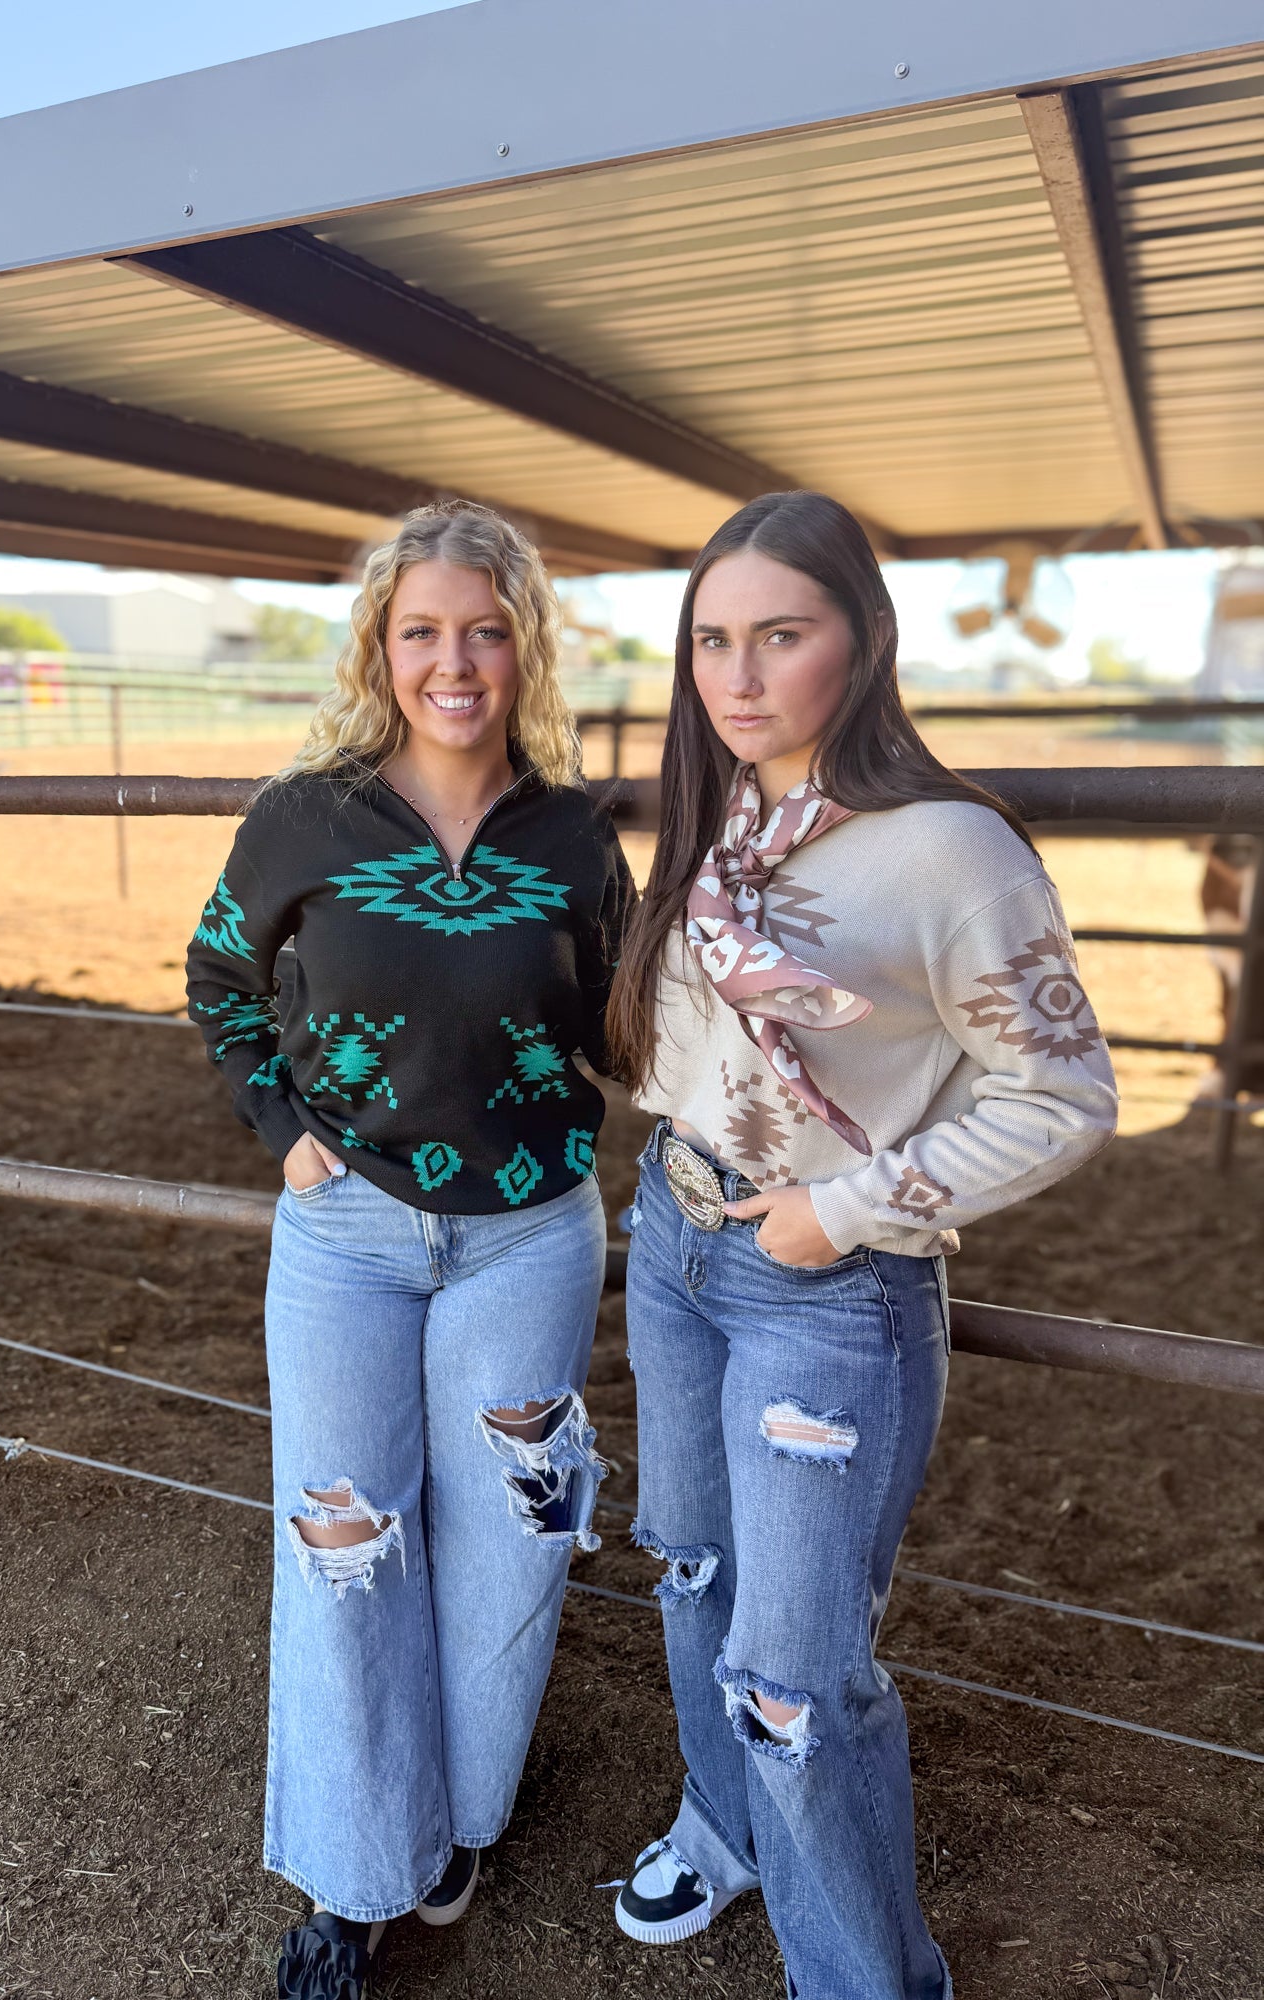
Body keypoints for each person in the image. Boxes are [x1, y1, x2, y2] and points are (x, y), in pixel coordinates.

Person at [603, 491, 1117, 1998]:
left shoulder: (950, 852)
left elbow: (1066, 1094)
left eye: (782, 635)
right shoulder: (721, 813)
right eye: (712, 641)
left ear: (865, 641)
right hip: (679, 1239)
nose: (738, 675)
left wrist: (845, 1211)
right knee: (690, 1570)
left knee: (796, 1679)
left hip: (824, 1288)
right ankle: (724, 1825)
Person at [185, 501, 632, 2000]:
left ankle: (453, 1827)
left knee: (510, 1536)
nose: (456, 662)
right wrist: (280, 1124)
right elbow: (219, 976)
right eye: (424, 630)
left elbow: (628, 1022)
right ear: (382, 646)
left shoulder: (574, 833)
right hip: (349, 1234)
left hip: (530, 1236)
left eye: (487, 631)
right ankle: (353, 1878)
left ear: (525, 648)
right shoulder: (303, 817)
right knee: (346, 1538)